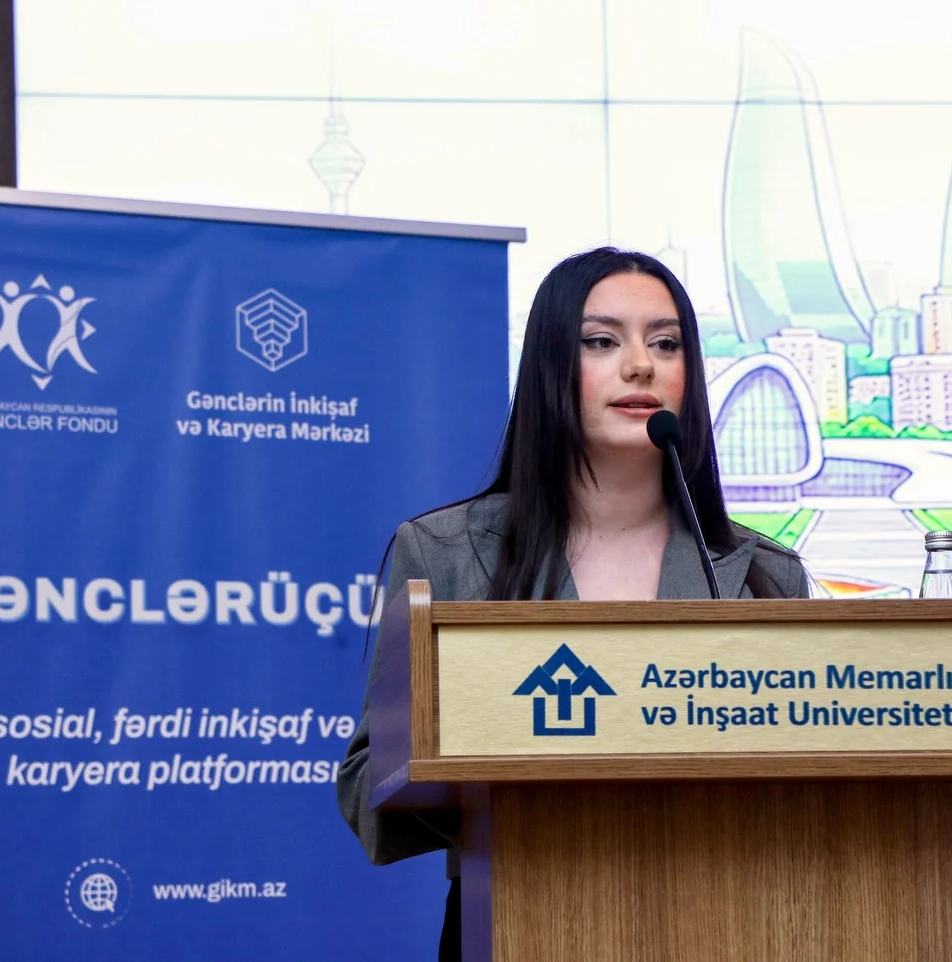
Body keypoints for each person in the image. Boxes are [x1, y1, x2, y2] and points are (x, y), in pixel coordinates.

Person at [335, 246, 810, 960]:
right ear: (550, 367)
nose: (641, 365)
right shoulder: (445, 554)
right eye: (601, 341)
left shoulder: (762, 575)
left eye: (666, 343)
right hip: (516, 916)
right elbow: (366, 782)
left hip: (720, 920)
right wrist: (497, 784)